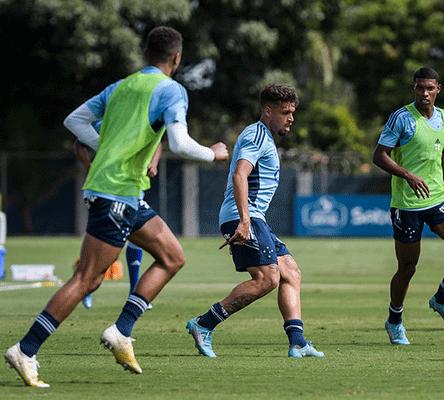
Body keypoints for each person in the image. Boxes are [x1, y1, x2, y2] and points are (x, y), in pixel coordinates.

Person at [4, 26, 228, 388]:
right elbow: (180, 143)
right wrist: (214, 153)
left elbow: (73, 121)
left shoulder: (122, 86)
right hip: (115, 193)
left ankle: (121, 331)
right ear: (176, 58)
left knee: (172, 256)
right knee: (86, 279)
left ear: (145, 53)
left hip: (125, 194)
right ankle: (25, 350)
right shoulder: (171, 90)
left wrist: (107, 146)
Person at [185, 84, 324, 359]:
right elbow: (239, 174)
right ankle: (204, 324)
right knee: (266, 278)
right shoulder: (257, 135)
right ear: (268, 111)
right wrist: (245, 221)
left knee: (290, 272)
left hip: (252, 216)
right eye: (285, 112)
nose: (291, 118)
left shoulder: (264, 137)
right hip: (243, 216)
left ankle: (297, 342)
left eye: (293, 112)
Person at [373, 67, 444, 345]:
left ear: (438, 89)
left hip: (438, 196)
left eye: (429, 88)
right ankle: (394, 320)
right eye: (420, 88)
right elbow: (379, 156)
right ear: (414, 88)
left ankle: (442, 298)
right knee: (408, 267)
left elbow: (441, 153)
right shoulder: (402, 118)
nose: (424, 93)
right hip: (406, 203)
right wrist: (407, 174)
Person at [73, 140, 154, 310]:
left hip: (133, 186)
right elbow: (79, 141)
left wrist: (154, 162)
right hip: (106, 190)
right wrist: (90, 169)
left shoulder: (139, 121)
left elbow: (159, 141)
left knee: (137, 239)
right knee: (108, 246)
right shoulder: (106, 118)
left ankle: (134, 290)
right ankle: (84, 286)